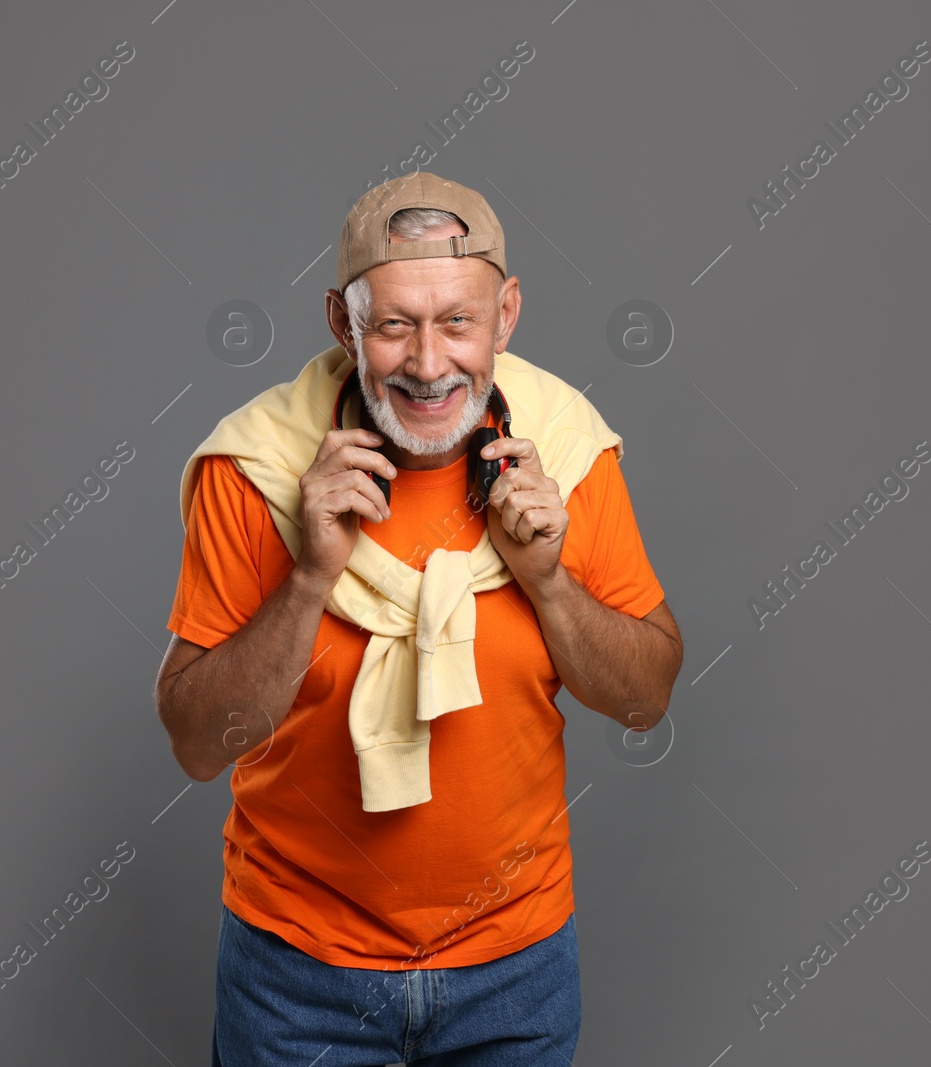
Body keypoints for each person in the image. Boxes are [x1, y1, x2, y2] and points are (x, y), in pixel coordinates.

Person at [154, 171, 683, 1066]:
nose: (430, 363)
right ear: (341, 323)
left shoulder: (569, 449)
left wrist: (549, 583)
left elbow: (645, 699)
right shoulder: (251, 468)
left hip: (516, 969)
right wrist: (311, 573)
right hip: (295, 974)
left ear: (507, 315)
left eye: (459, 322)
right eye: (394, 324)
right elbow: (201, 744)